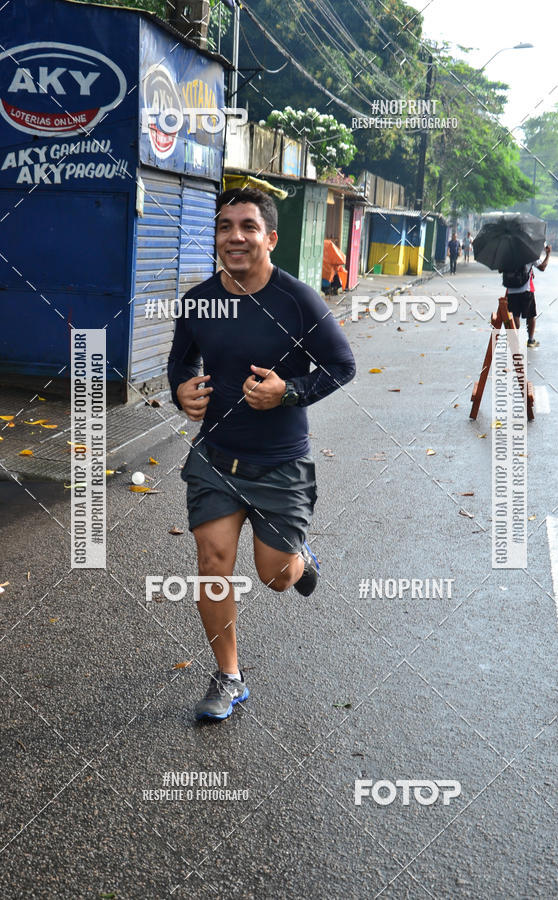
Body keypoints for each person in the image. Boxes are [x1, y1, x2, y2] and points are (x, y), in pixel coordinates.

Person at [167, 187, 356, 721]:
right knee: (212, 562)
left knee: (275, 575)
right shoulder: (198, 300)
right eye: (225, 227)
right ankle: (229, 677)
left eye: (247, 227)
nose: (235, 237)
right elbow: (180, 364)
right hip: (216, 458)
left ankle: (300, 558)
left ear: (270, 237)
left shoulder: (298, 300)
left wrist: (288, 391)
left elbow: (341, 366)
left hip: (280, 463)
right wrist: (183, 390)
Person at [502, 243, 551, 348]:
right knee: (531, 315)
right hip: (526, 290)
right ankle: (530, 339)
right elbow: (542, 267)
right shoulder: (529, 253)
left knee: (514, 315)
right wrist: (548, 255)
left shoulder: (507, 254)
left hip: (511, 290)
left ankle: (515, 339)